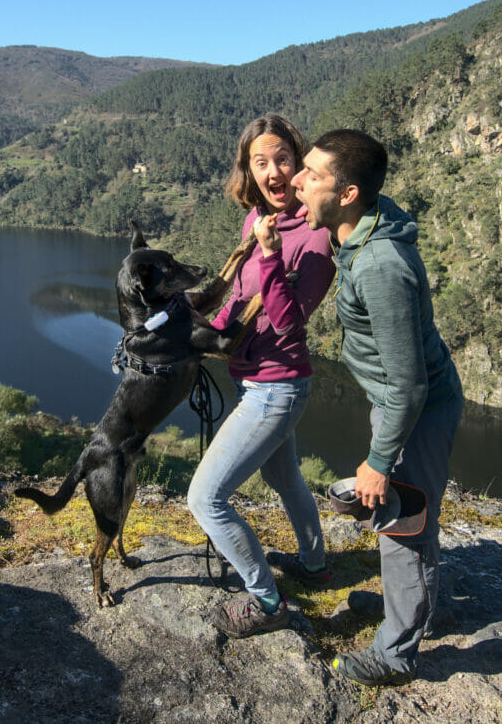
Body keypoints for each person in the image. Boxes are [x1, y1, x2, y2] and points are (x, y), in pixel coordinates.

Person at [291, 129, 463, 685]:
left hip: (412, 411)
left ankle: (395, 654)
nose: (297, 179)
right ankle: (408, 609)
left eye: (312, 174)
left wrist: (379, 460)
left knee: (402, 527)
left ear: (347, 193)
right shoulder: (363, 228)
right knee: (408, 522)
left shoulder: (379, 265)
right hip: (400, 405)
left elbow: (409, 385)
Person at [187, 114, 336, 638]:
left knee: (205, 499)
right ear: (248, 171)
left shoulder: (314, 240)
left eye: (282, 160)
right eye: (260, 162)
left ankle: (267, 601)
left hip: (278, 387)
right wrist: (206, 332)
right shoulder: (254, 219)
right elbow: (242, 297)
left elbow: (292, 325)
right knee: (283, 477)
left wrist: (272, 256)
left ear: (299, 166)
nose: (273, 172)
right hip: (254, 379)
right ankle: (316, 565)